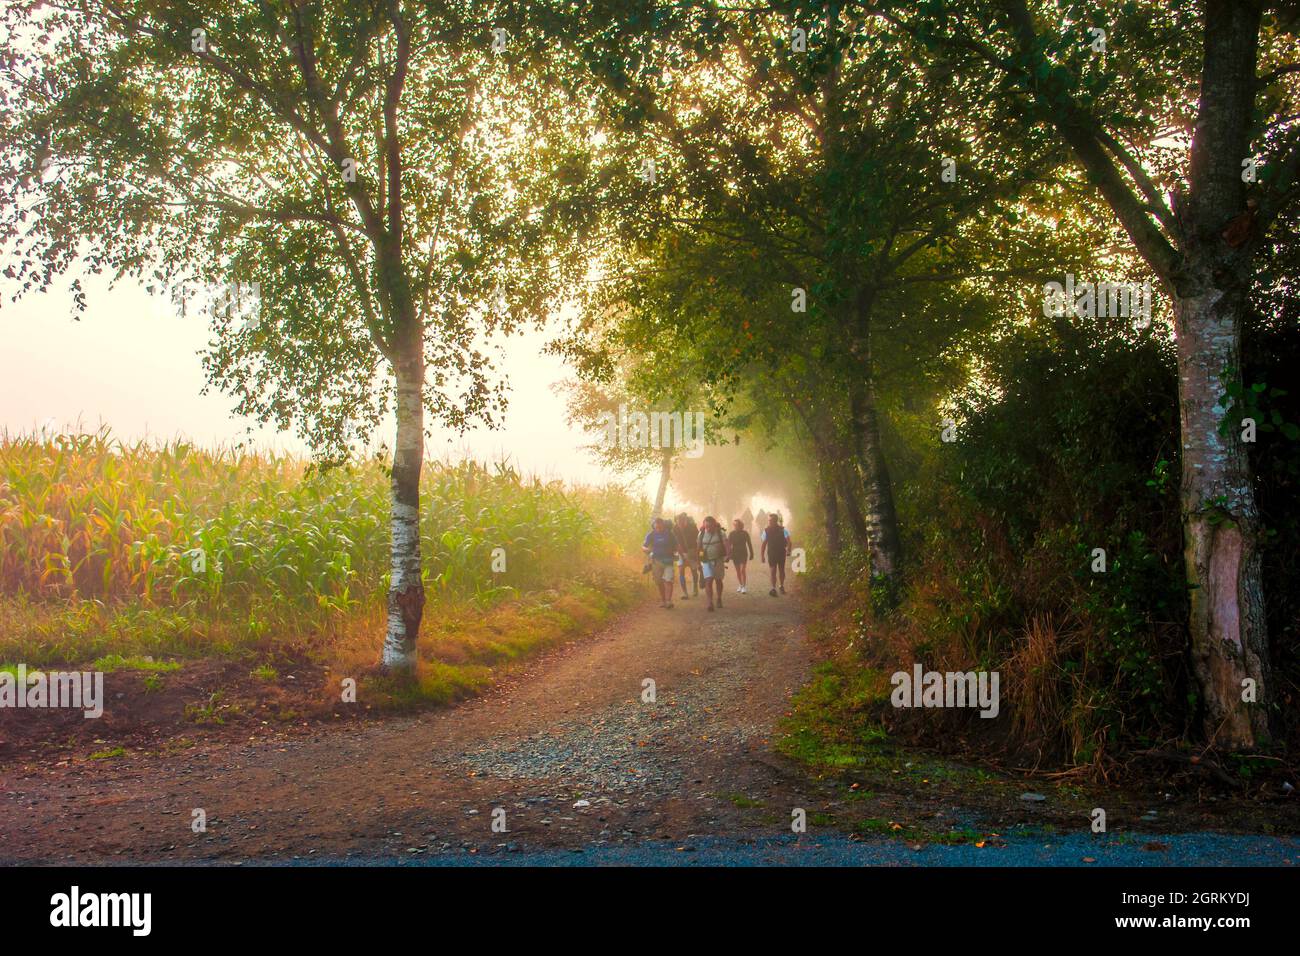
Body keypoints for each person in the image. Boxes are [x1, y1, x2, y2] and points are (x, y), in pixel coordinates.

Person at [642, 517, 678, 608]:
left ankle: (669, 601)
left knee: (668, 580)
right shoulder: (651, 535)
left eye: (660, 527)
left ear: (663, 525)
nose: (658, 529)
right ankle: (663, 600)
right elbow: (644, 546)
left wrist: (678, 554)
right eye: (657, 527)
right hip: (656, 561)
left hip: (668, 561)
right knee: (659, 582)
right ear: (654, 526)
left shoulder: (669, 534)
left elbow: (676, 545)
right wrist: (646, 550)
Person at [697, 515, 728, 612]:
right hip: (706, 561)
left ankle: (719, 598)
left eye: (710, 526)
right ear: (704, 525)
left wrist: (727, 555)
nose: (708, 528)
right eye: (706, 526)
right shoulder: (701, 534)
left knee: (718, 580)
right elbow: (699, 548)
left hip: (718, 560)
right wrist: (699, 560)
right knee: (709, 580)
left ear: (715, 525)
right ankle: (710, 602)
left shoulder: (721, 533)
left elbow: (726, 544)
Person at [760, 512, 791, 596]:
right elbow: (763, 543)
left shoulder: (783, 530)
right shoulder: (766, 531)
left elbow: (789, 541)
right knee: (773, 570)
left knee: (781, 570)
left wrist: (788, 550)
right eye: (769, 520)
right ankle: (773, 588)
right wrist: (762, 555)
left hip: (781, 552)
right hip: (772, 553)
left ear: (775, 521)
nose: (769, 522)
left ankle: (781, 585)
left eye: (770, 520)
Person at [673, 512, 701, 599]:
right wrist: (680, 554)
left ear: (686, 521)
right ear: (676, 522)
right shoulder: (675, 529)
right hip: (681, 551)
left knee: (694, 571)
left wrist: (699, 554)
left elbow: (698, 540)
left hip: (692, 551)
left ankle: (695, 588)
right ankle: (685, 593)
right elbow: (675, 543)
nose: (680, 524)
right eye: (678, 522)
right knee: (681, 571)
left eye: (682, 522)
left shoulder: (692, 527)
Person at [728, 518, 754, 593]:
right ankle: (740, 584)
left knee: (742, 570)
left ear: (741, 525)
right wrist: (727, 555)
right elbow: (728, 545)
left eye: (737, 525)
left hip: (743, 553)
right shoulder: (731, 534)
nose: (735, 526)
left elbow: (749, 543)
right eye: (734, 525)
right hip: (735, 554)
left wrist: (752, 553)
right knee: (738, 571)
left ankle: (744, 586)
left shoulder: (745, 533)